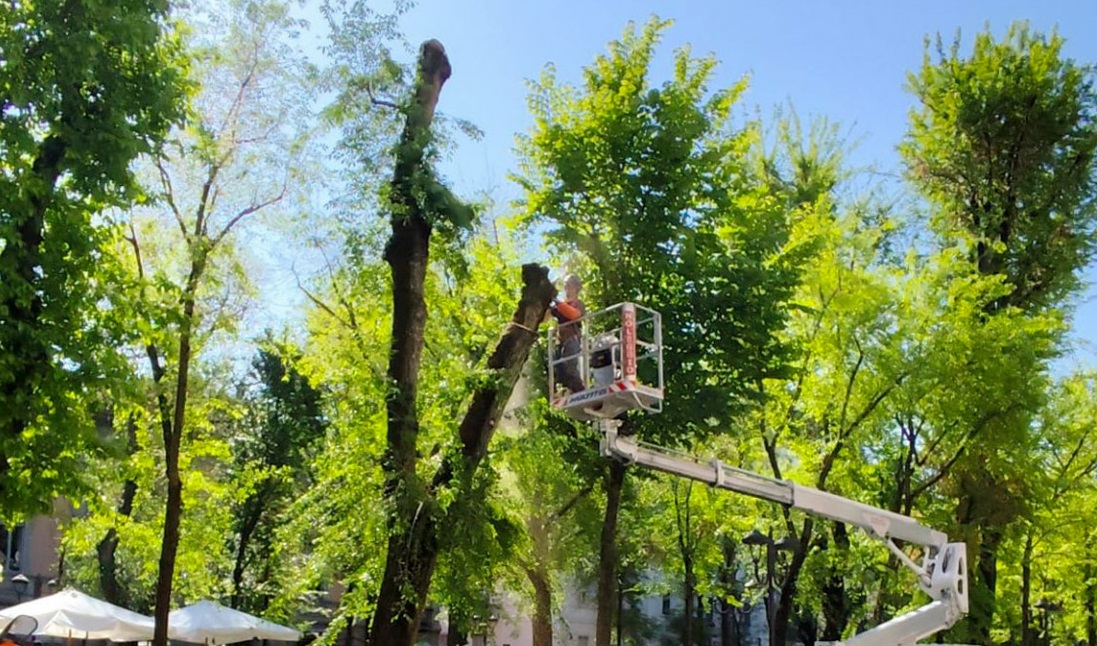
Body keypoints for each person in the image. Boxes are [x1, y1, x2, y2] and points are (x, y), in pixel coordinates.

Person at [550, 274, 586, 393]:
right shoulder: (561, 306)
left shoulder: (577, 303)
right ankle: (571, 390)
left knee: (570, 366)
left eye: (569, 285)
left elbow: (574, 315)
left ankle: (579, 390)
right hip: (561, 341)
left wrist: (556, 301)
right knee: (559, 370)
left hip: (572, 339)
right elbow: (546, 316)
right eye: (565, 285)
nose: (566, 288)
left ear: (576, 287)